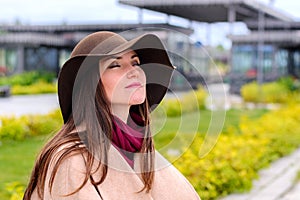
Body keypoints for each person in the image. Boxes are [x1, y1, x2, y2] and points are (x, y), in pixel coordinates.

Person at [23, 31, 200, 200]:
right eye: (115, 65)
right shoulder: (72, 159)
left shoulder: (138, 147)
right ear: (91, 83)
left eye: (135, 63)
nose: (133, 71)